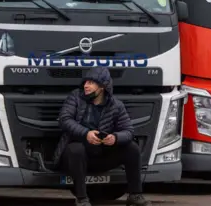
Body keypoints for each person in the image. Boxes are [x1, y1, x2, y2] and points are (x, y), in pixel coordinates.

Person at [53, 66, 151, 206]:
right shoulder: (75, 97)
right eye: (85, 82)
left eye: (91, 83)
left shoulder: (116, 105)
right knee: (76, 149)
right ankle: (82, 199)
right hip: (76, 156)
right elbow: (64, 120)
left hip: (101, 153)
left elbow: (129, 131)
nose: (86, 86)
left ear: (102, 87)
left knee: (132, 148)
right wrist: (85, 134)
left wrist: (115, 138)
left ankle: (135, 195)